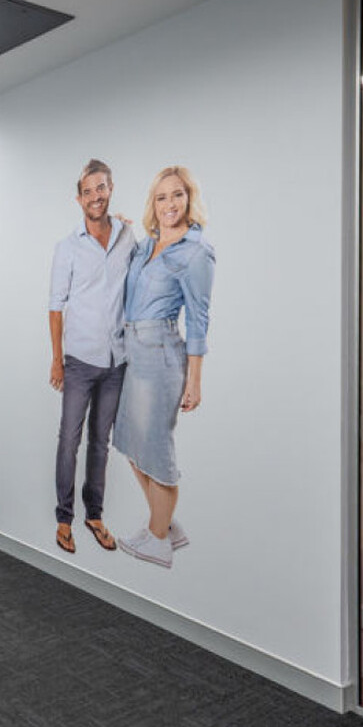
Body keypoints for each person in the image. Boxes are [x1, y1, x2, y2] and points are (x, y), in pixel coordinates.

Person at [114, 165, 215, 568]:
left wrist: (195, 381)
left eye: (177, 195)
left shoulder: (196, 252)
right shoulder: (147, 245)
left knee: (155, 449)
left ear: (189, 199)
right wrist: (122, 230)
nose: (170, 204)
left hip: (161, 353)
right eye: (161, 197)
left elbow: (199, 320)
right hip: (132, 351)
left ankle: (158, 538)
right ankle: (166, 524)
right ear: (152, 204)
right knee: (130, 443)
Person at [48, 159, 135, 554]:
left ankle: (94, 515)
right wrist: (57, 360)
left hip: (117, 361)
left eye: (101, 188)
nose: (95, 196)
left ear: (110, 189)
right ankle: (63, 518)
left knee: (101, 442)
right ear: (79, 199)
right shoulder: (67, 248)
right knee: (69, 440)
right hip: (80, 361)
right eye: (88, 191)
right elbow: (55, 307)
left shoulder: (127, 237)